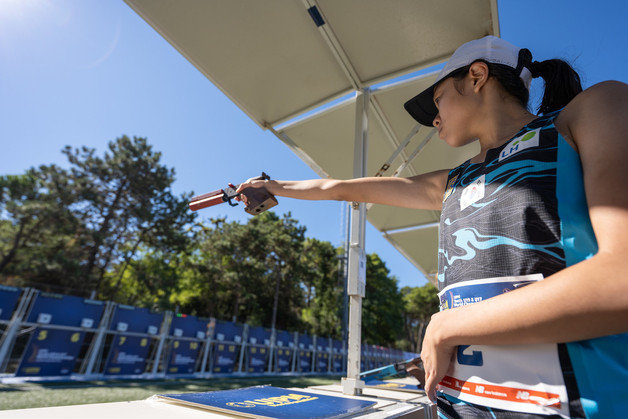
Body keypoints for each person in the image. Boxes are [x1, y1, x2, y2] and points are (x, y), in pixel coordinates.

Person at [236, 36, 628, 418]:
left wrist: (448, 325)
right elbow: (338, 188)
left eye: (437, 101)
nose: (435, 119)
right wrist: (273, 187)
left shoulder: (591, 111)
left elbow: (621, 278)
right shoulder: (452, 181)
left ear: (477, 75)